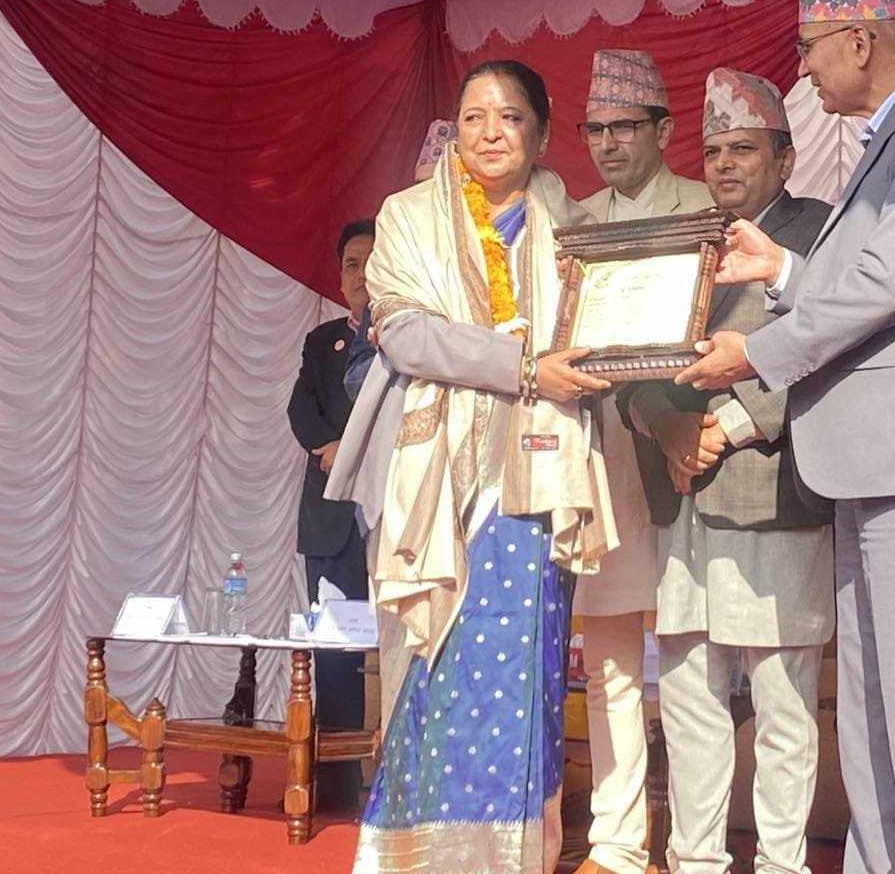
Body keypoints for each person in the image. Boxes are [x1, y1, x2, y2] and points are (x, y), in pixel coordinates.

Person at [676, 0, 895, 874]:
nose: (805, 69)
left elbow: (887, 281)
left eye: (811, 48)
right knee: (873, 717)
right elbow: (866, 276)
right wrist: (783, 272)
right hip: (870, 459)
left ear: (861, 40)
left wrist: (756, 352)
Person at [350, 60, 620, 874]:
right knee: (431, 665)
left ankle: (515, 857)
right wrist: (525, 368)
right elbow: (405, 332)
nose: (490, 133)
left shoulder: (572, 225)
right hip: (432, 478)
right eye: (473, 117)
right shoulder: (407, 217)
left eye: (509, 117)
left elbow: (603, 329)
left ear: (541, 131)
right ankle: (420, 856)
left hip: (536, 475)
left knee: (523, 670)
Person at [626, 67, 833, 874]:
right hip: (682, 495)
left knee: (782, 702)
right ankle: (695, 862)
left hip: (773, 493)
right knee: (687, 697)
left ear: (785, 158)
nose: (724, 165)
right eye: (713, 151)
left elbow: (838, 346)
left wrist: (731, 426)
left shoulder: (819, 234)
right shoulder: (682, 236)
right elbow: (628, 358)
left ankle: (781, 864)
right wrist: (666, 423)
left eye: (743, 150)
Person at [573, 48, 713, 874]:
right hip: (601, 458)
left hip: (690, 456)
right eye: (594, 130)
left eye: (624, 127)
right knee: (611, 663)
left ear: (663, 129)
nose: (608, 144)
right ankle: (619, 845)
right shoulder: (574, 225)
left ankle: (696, 849)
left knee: (693, 668)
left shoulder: (706, 210)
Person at [285, 219, 377, 812]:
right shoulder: (323, 342)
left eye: (371, 261)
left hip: (396, 516)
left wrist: (359, 449)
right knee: (336, 653)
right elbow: (302, 407)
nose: (361, 274)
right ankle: (339, 788)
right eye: (351, 264)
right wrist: (331, 448)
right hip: (333, 523)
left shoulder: (411, 339)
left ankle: (405, 782)